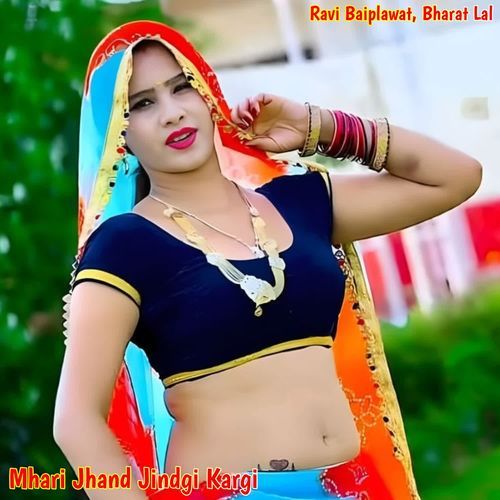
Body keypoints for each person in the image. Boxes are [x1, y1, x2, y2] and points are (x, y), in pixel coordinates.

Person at [53, 20, 481, 500]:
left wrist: (316, 126)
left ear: (208, 94)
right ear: (119, 130)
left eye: (182, 87)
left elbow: (456, 177)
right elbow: (76, 421)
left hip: (353, 485)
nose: (172, 113)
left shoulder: (299, 202)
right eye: (143, 104)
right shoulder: (124, 245)